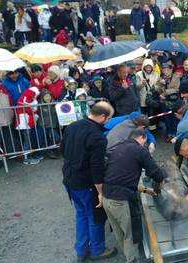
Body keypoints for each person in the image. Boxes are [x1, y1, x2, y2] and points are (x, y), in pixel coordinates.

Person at [61, 101, 117, 262]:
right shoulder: (97, 137)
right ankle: (97, 250)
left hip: (70, 179)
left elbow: (63, 150)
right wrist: (100, 192)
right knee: (95, 217)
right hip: (87, 184)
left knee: (81, 215)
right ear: (102, 116)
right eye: (108, 118)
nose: (108, 122)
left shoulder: (72, 126)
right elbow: (97, 168)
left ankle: (81, 249)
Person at [102, 127, 164, 263]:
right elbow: (154, 171)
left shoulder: (119, 147)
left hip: (106, 198)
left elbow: (121, 178)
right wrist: (161, 181)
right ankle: (131, 260)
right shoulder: (139, 150)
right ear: (142, 137)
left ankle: (127, 255)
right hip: (120, 201)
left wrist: (146, 190)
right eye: (145, 141)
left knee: (120, 234)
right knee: (129, 235)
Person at [15, 87, 44, 164]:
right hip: (23, 122)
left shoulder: (30, 99)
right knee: (27, 140)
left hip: (28, 122)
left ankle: (30, 156)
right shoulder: (24, 99)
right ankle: (26, 158)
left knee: (29, 139)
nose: (35, 97)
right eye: (35, 95)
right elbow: (29, 109)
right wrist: (34, 113)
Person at [158, 63, 181, 141]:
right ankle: (168, 133)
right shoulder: (161, 78)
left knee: (174, 118)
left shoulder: (176, 77)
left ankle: (174, 133)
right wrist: (161, 85)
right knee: (167, 118)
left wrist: (166, 92)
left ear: (171, 70)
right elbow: (158, 90)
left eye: (168, 69)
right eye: (164, 70)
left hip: (174, 101)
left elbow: (177, 89)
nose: (166, 71)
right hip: (164, 101)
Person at [38, 89, 60, 159]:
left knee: (56, 138)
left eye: (49, 96)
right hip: (44, 126)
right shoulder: (39, 105)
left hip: (53, 125)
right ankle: (50, 151)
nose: (48, 98)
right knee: (50, 139)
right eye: (46, 96)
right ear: (42, 97)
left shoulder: (55, 104)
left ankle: (52, 149)